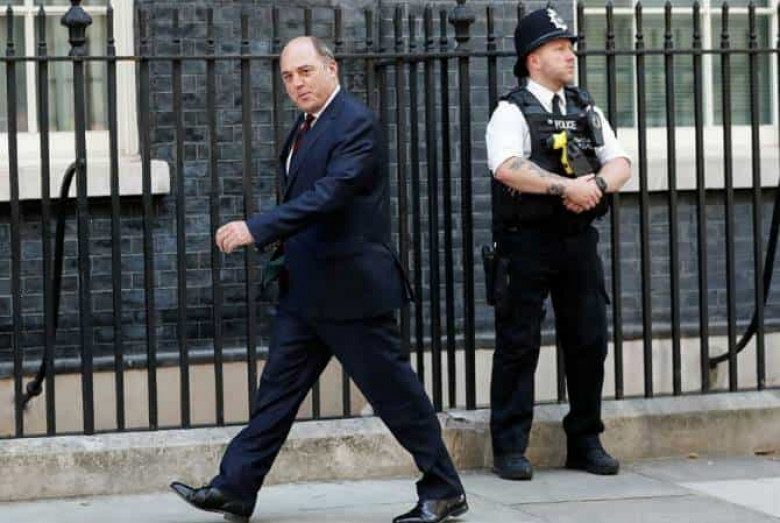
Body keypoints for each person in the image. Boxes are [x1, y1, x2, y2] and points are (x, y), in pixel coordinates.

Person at [169, 36, 468, 523]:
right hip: (306, 291)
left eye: (305, 71)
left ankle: (444, 489)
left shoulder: (355, 122)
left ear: (332, 68)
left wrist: (257, 227)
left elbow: (330, 194)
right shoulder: (306, 125)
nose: (297, 83)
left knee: (396, 396)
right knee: (275, 396)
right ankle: (235, 488)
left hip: (352, 292)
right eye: (288, 76)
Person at [484, 8, 632, 481]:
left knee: (589, 341)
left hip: (577, 242)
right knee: (518, 344)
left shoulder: (585, 107)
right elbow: (506, 166)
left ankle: (585, 441)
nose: (571, 55)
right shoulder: (511, 111)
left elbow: (620, 161)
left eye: (570, 47)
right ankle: (509, 447)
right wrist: (566, 187)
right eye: (559, 48)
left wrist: (597, 186)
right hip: (525, 243)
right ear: (533, 59)